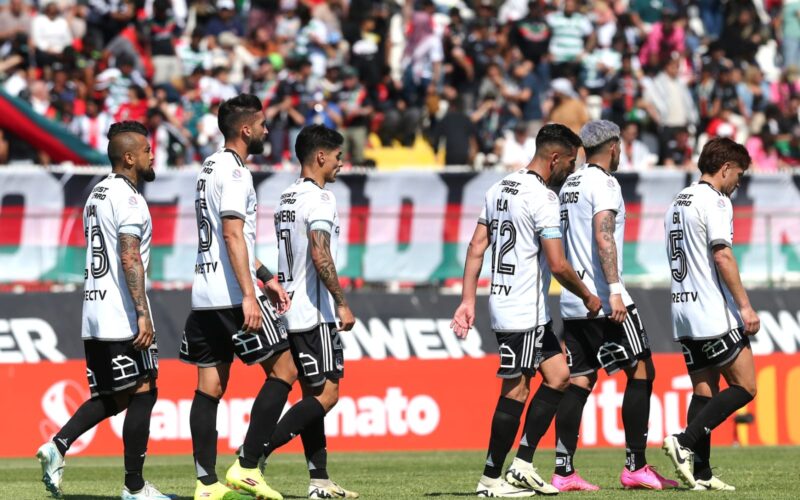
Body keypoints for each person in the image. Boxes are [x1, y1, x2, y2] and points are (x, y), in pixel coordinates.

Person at [451, 124, 602, 498]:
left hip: (520, 308)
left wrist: (468, 300)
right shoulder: (543, 198)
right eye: (570, 161)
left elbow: (475, 247)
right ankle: (490, 479)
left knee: (559, 376)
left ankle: (522, 465)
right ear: (554, 158)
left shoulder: (499, 187)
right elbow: (559, 264)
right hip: (520, 309)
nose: (571, 169)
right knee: (516, 392)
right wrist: (587, 295)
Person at [36, 121, 171, 500]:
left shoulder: (96, 193)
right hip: (121, 314)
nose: (151, 155)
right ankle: (134, 487)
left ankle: (59, 445)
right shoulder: (129, 199)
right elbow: (130, 255)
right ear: (129, 157)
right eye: (146, 149)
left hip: (95, 311)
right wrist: (142, 313)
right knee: (144, 391)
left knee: (118, 395)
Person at [180, 94, 294, 500]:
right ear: (245, 129)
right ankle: (247, 466)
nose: (266, 130)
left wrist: (265, 277)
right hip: (231, 295)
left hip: (204, 293)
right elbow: (231, 233)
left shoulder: (208, 167)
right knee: (285, 371)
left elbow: (235, 238)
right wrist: (250, 293)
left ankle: (205, 483)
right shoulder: (236, 173)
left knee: (209, 386)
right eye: (262, 124)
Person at [553, 121, 678, 491]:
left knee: (580, 379)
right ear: (611, 146)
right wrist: (614, 289)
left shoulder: (570, 184)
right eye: (620, 145)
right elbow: (603, 235)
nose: (621, 152)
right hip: (605, 298)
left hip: (574, 301)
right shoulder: (604, 183)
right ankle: (635, 465)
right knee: (642, 372)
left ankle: (563, 471)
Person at [262, 124, 359, 499]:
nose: (340, 163)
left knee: (311, 394)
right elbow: (320, 253)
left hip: (287, 309)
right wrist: (342, 301)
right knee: (328, 395)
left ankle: (319, 481)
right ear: (320, 156)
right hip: (312, 312)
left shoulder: (286, 196)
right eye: (337, 157)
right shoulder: (320, 199)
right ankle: (255, 453)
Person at [662, 137, 760, 491]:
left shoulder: (679, 200)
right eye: (739, 175)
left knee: (704, 392)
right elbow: (722, 255)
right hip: (711, 311)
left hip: (683, 312)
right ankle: (684, 442)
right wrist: (745, 306)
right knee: (746, 386)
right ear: (725, 169)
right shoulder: (715, 201)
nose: (738, 183)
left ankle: (700, 473)